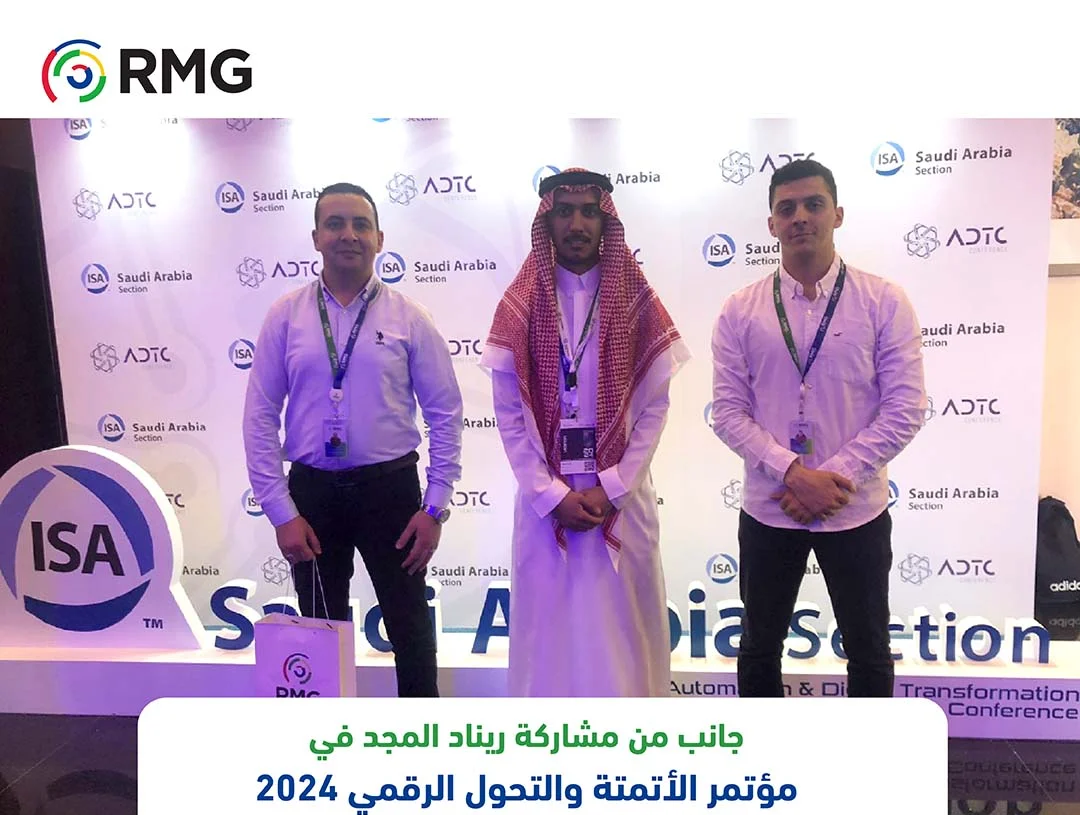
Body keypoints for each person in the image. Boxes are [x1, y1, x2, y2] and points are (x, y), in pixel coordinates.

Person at [711, 159, 926, 698]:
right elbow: (728, 412)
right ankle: (763, 751)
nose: (800, 217)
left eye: (813, 204)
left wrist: (833, 477)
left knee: (869, 649)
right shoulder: (740, 310)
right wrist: (793, 473)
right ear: (772, 224)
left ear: (838, 214)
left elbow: (905, 407)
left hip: (854, 507)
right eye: (787, 208)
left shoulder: (883, 301)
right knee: (759, 647)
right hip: (771, 507)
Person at [243, 182, 463, 697]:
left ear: (379, 238)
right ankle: (328, 736)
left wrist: (434, 508)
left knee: (410, 627)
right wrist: (281, 511)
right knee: (319, 633)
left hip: (391, 492)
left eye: (361, 224)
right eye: (335, 224)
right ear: (316, 238)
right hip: (312, 497)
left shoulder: (410, 317)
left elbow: (446, 414)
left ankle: (422, 732)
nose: (349, 235)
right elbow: (259, 416)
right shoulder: (285, 316)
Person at [481, 167, 690, 696]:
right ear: (547, 220)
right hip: (546, 505)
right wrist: (549, 494)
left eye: (589, 212)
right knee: (548, 633)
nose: (577, 224)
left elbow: (654, 408)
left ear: (605, 220)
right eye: (565, 211)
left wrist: (613, 486)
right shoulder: (521, 303)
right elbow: (509, 413)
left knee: (626, 632)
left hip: (620, 500)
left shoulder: (635, 299)